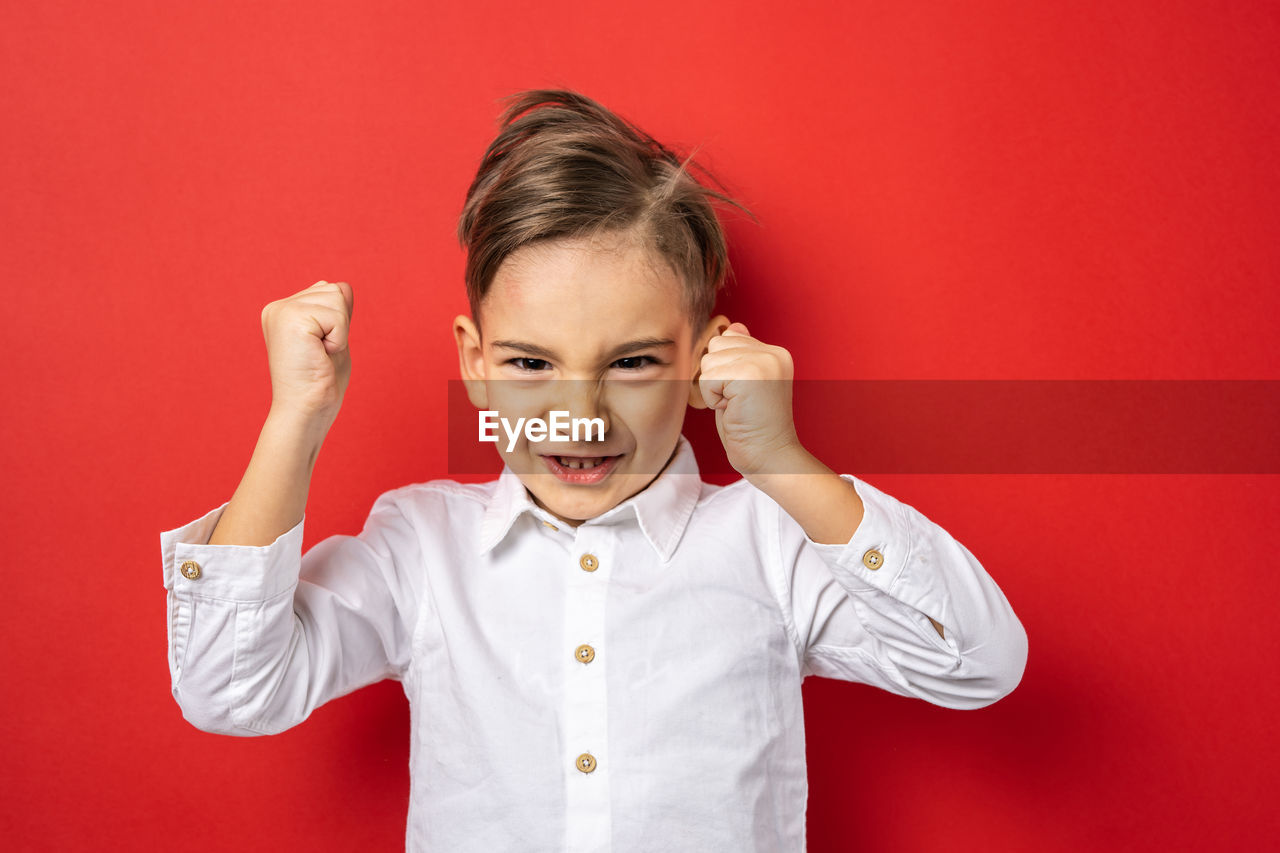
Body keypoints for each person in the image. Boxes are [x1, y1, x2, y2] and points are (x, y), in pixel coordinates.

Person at [160, 89, 1028, 852]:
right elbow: (230, 689)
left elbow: (978, 661)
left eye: (635, 363)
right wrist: (295, 419)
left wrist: (783, 463)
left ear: (703, 360)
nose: (580, 413)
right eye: (532, 365)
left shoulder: (772, 543)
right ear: (474, 363)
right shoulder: (422, 546)